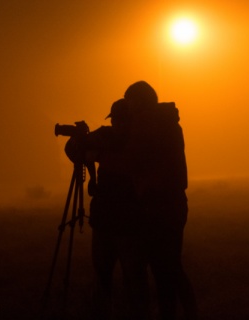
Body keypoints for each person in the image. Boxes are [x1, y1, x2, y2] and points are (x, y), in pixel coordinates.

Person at [123, 81, 197, 320]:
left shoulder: (146, 123)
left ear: (140, 101)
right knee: (170, 265)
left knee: (163, 266)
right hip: (173, 200)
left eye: (130, 101)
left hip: (157, 203)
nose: (128, 107)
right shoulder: (167, 122)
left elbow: (134, 159)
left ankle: (177, 312)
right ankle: (182, 312)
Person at [85, 99, 149, 320]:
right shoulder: (116, 137)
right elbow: (75, 149)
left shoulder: (134, 141)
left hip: (122, 222)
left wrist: (94, 156)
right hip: (115, 221)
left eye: (119, 119)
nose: (117, 124)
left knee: (125, 279)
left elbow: (128, 165)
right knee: (126, 279)